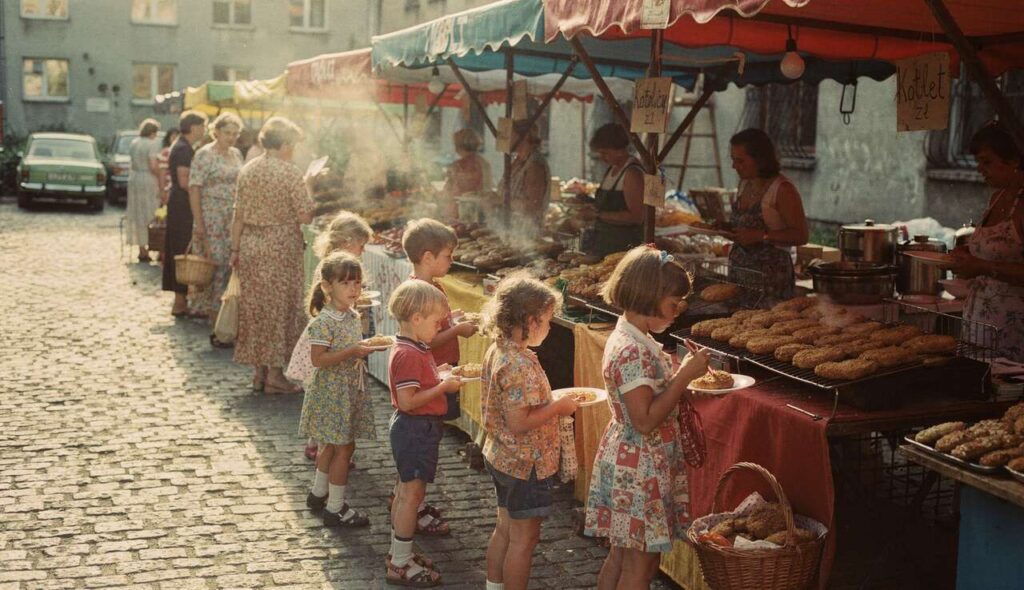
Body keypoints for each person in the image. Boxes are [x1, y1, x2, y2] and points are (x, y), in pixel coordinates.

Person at [585, 246, 710, 590]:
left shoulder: (631, 336)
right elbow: (644, 419)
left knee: (623, 555)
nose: (677, 312)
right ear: (649, 297)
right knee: (640, 564)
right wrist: (684, 376)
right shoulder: (632, 351)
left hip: (634, 460)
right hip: (640, 465)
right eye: (673, 305)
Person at [480, 276, 578, 590]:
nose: (550, 328)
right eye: (548, 321)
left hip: (503, 456)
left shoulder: (501, 350)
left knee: (505, 529)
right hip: (525, 463)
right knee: (524, 539)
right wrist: (558, 408)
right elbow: (520, 421)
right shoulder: (517, 363)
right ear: (529, 320)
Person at [385, 218, 479, 527]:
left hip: (432, 375)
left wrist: (455, 319)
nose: (452, 261)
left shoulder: (427, 288)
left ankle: (411, 501)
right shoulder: (421, 293)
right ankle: (412, 505)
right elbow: (431, 336)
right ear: (428, 257)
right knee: (422, 453)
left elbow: (437, 322)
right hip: (425, 389)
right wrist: (457, 331)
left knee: (424, 452)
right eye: (448, 255)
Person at [385, 280, 463, 588]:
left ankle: (399, 552)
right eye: (436, 322)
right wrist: (443, 386)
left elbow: (418, 384)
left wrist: (439, 375)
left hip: (417, 429)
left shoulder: (415, 347)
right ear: (416, 318)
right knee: (411, 497)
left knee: (406, 494)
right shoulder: (409, 354)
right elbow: (407, 401)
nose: (439, 328)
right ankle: (400, 564)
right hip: (415, 429)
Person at [229, 116, 316, 394]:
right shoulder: (290, 173)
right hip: (280, 246)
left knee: (257, 309)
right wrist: (310, 184)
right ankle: (276, 375)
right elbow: (305, 214)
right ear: (286, 143)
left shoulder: (248, 169)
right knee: (280, 308)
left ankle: (259, 374)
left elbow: (238, 214)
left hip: (252, 243)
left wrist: (235, 248)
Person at [300, 252, 375, 528]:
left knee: (330, 444)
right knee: (344, 448)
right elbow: (318, 359)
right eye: (346, 283)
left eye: (357, 283)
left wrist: (362, 350)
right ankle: (336, 507)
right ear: (327, 287)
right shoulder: (324, 321)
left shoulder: (353, 316)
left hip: (347, 389)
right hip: (332, 392)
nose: (354, 289)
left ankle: (318, 492)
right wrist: (352, 351)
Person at [291, 211, 374, 462]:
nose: (362, 251)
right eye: (361, 246)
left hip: (332, 334)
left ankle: (321, 443)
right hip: (330, 338)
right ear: (348, 241)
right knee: (326, 394)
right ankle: (323, 445)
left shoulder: (333, 265)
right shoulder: (334, 269)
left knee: (328, 394)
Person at [949, 122, 1024, 361]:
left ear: (1013, 160)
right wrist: (967, 254)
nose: (980, 169)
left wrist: (981, 266)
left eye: (987, 162)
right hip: (978, 320)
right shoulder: (996, 197)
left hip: (1012, 327)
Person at [726, 128, 809, 299]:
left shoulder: (783, 189)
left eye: (740, 160)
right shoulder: (745, 184)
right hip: (740, 275)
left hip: (771, 280)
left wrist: (761, 236)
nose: (734, 166)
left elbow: (801, 235)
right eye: (733, 160)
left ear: (760, 160)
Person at [189, 113, 244, 345]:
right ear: (216, 131)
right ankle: (215, 322)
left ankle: (225, 321)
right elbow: (194, 188)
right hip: (211, 215)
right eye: (227, 133)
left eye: (235, 134)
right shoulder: (204, 155)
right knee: (215, 266)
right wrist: (199, 223)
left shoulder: (236, 155)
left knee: (231, 267)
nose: (231, 138)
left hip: (231, 217)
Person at [163, 110, 209, 317]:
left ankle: (182, 300)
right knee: (181, 250)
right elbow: (184, 181)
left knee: (180, 248)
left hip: (180, 204)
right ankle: (179, 301)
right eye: (203, 126)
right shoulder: (183, 149)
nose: (205, 130)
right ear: (194, 127)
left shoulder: (184, 146)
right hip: (181, 205)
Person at [587, 123, 646, 257]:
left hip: (624, 248)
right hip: (605, 244)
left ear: (620, 150)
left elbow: (637, 217)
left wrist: (598, 215)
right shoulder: (612, 169)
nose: (601, 158)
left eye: (605, 153)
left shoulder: (632, 173)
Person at [124, 118, 163, 263]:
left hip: (134, 178)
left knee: (138, 213)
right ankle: (156, 247)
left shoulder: (135, 142)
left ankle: (142, 249)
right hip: (148, 179)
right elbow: (153, 165)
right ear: (153, 132)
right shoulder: (152, 144)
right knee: (152, 212)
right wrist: (162, 176)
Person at [504, 121, 550, 233]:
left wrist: (502, 201)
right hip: (511, 228)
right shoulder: (517, 160)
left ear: (523, 137)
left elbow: (532, 206)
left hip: (527, 231)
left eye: (511, 135)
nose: (507, 139)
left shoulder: (534, 165)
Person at [443, 128, 493, 218]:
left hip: (458, 213)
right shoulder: (484, 164)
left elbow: (447, 192)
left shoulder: (455, 167)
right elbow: (487, 190)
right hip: (481, 212)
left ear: (458, 146)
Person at [158, 128, 179, 200]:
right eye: (173, 137)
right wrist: (162, 189)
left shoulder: (181, 151)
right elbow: (162, 172)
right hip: (167, 186)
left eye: (177, 137)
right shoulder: (166, 152)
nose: (175, 139)